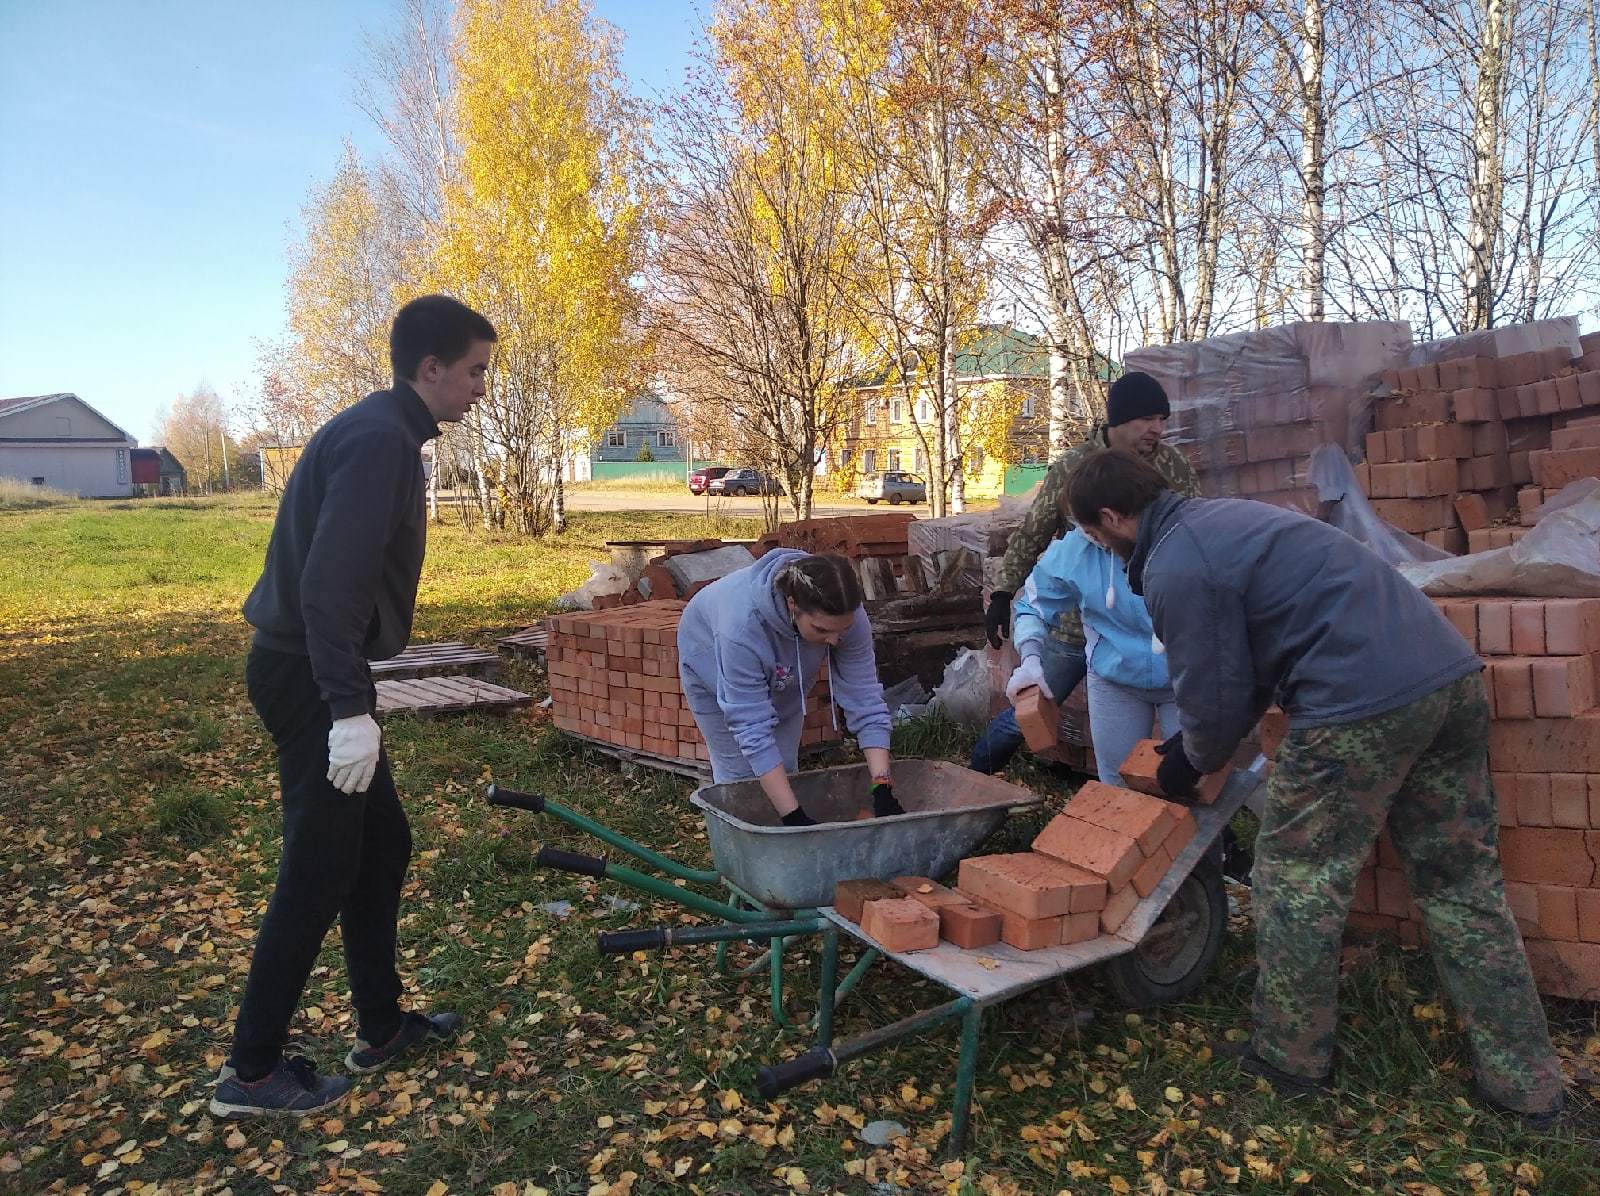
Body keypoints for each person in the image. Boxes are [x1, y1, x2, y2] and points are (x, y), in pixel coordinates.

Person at [1064, 448, 1565, 1125]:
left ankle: (1288, 1060)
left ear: (1114, 515)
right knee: (1462, 888)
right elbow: (1249, 669)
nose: (1098, 547)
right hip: (1448, 684)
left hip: (1358, 706)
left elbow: (1211, 697)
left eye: (1095, 535)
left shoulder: (1176, 563)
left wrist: (1190, 760)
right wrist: (1204, 742)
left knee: (1295, 879)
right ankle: (1529, 1091)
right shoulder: (1227, 521)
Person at [211, 295, 497, 1119]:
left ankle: (379, 1026)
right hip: (308, 675)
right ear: (431, 368)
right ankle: (253, 1072)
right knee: (320, 868)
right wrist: (346, 710)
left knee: (381, 847)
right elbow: (328, 588)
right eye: (474, 371)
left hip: (313, 667)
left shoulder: (384, 430)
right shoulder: (380, 442)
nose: (481, 387)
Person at [974, 371, 1198, 775]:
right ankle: (979, 769)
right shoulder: (1074, 470)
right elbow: (1034, 533)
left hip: (1154, 626)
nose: (1157, 429)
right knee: (1034, 699)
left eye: (1162, 420)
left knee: (1186, 759)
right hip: (1076, 618)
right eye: (1147, 419)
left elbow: (1195, 532)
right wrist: (1005, 593)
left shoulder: (1173, 467)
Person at [677, 550, 898, 825]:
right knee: (739, 779)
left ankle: (781, 839)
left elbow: (865, 696)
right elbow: (751, 728)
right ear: (793, 605)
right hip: (707, 659)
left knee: (786, 767)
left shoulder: (844, 614)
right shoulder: (741, 628)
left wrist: (882, 786)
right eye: (821, 630)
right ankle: (739, 852)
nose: (834, 641)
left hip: (784, 669)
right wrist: (794, 818)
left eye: (842, 630)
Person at [996, 527, 1178, 785]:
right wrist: (1030, 658)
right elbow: (1031, 606)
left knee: (1192, 780)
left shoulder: (1178, 540)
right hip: (1114, 679)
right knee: (1116, 783)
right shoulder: (1075, 548)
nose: (1093, 536)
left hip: (1185, 676)